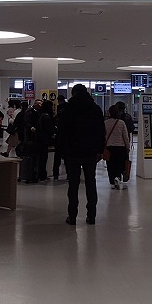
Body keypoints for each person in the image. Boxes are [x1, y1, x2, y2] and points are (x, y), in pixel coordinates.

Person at [56, 84, 106, 224]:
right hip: (90, 151)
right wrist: (100, 150)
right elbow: (101, 131)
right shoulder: (95, 109)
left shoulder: (68, 109)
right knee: (91, 183)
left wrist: (62, 151)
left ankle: (72, 216)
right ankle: (91, 215)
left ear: (73, 93)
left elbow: (62, 132)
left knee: (73, 184)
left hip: (73, 152)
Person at [103, 104, 131, 189]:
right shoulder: (121, 123)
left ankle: (112, 181)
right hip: (120, 147)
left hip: (109, 147)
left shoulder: (106, 123)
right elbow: (125, 136)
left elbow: (103, 136)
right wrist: (127, 147)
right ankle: (118, 178)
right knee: (119, 164)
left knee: (110, 165)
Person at [34, 98, 56, 181]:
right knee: (43, 158)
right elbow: (49, 129)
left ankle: (39, 174)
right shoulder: (47, 116)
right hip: (44, 139)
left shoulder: (40, 114)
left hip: (39, 138)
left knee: (40, 157)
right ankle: (42, 175)